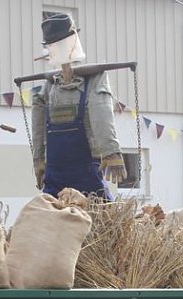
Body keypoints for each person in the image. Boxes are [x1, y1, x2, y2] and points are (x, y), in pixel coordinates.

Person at [31, 13, 127, 199]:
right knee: (104, 217)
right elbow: (101, 114)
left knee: (51, 216)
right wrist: (111, 151)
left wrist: (39, 159)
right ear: (75, 40)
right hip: (84, 172)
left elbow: (37, 125)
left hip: (55, 171)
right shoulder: (91, 80)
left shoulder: (50, 86)